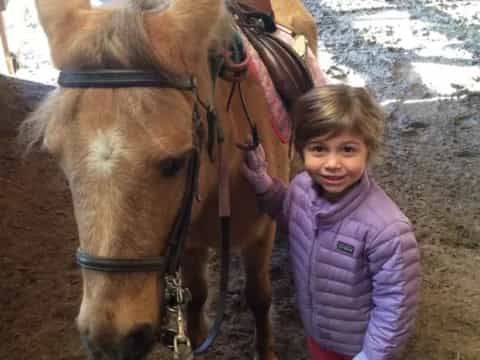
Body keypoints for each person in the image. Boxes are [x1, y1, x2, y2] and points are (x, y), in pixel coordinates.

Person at [240, 84, 421, 360]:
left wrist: (371, 356)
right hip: (319, 333)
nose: (332, 163)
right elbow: (291, 216)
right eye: (319, 149)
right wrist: (263, 183)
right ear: (301, 150)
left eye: (347, 150)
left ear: (368, 150)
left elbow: (396, 308)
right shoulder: (301, 187)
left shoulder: (389, 231)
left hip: (358, 348)